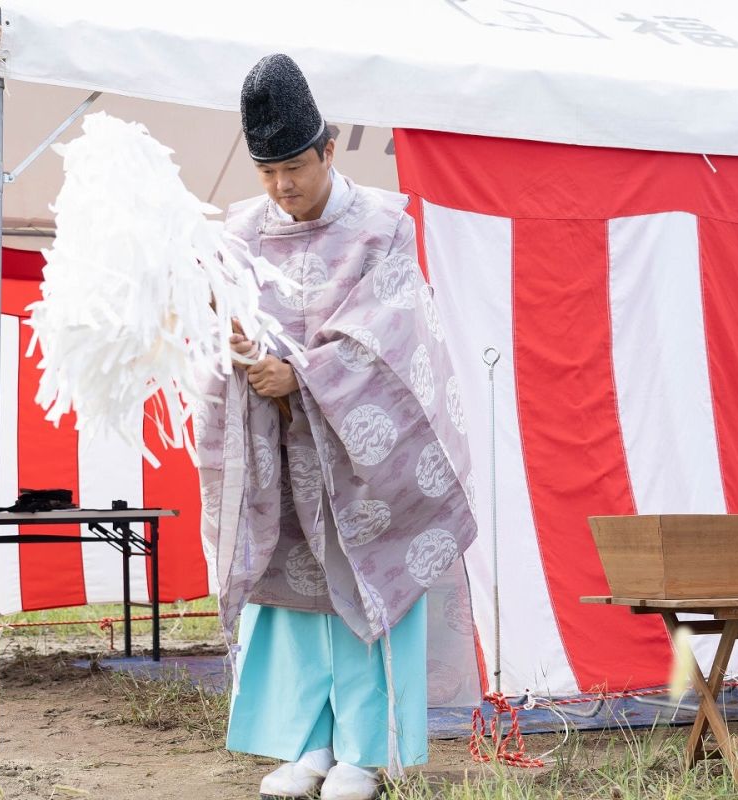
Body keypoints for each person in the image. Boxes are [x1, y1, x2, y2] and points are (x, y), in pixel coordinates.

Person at [194, 53, 476, 800]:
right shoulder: (242, 234)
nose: (282, 186)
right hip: (280, 450)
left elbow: (391, 338)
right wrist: (234, 348)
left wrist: (306, 377)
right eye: (266, 172)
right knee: (291, 599)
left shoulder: (382, 226)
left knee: (363, 592)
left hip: (360, 458)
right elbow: (222, 318)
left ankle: (365, 750)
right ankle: (305, 745)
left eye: (294, 166)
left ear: (327, 150)